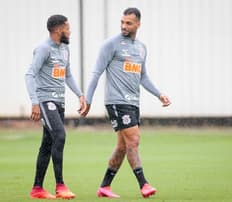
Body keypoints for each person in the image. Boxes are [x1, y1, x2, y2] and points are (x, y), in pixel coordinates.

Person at [81, 7, 171, 198]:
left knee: (122, 146)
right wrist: (87, 99)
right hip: (116, 101)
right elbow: (96, 73)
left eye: (128, 23)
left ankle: (104, 186)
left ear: (138, 24)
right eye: (122, 22)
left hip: (133, 102)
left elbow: (143, 76)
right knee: (134, 140)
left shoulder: (141, 48)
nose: (124, 26)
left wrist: (158, 94)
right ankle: (144, 184)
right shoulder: (111, 44)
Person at [25, 14, 86, 199]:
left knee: (47, 144)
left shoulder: (65, 48)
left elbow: (67, 75)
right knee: (60, 135)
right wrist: (35, 102)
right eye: (68, 28)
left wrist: (80, 94)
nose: (70, 31)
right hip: (45, 101)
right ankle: (60, 185)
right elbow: (29, 75)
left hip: (59, 103)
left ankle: (37, 189)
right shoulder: (43, 49)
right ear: (59, 29)